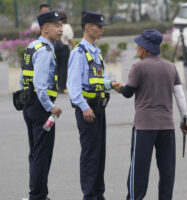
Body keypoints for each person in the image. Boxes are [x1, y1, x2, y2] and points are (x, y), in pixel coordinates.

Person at [114, 29, 187, 200]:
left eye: (138, 46)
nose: (137, 49)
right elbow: (180, 96)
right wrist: (184, 120)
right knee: (167, 171)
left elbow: (128, 93)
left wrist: (117, 87)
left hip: (144, 128)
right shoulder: (170, 67)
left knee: (139, 170)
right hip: (167, 128)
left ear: (145, 48)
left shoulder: (138, 67)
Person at [66, 11, 119, 200]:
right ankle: (89, 195)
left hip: (98, 107)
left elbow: (97, 78)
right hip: (87, 109)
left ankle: (98, 193)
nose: (102, 29)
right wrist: (83, 107)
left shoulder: (95, 51)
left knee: (99, 153)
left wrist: (111, 84)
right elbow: (72, 86)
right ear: (87, 27)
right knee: (90, 154)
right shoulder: (78, 53)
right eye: (99, 26)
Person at [20, 10, 65, 200]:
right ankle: (38, 195)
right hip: (41, 108)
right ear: (45, 29)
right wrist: (50, 106)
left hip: (29, 105)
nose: (61, 29)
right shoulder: (45, 51)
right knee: (42, 154)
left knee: (36, 152)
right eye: (56, 25)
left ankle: (37, 192)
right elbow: (40, 83)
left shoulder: (32, 46)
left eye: (61, 25)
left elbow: (23, 78)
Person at [55, 11, 74, 93]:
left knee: (57, 68)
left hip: (55, 48)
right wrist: (75, 46)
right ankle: (62, 87)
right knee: (63, 68)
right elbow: (70, 39)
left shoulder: (55, 26)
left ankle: (56, 85)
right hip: (64, 48)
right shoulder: (67, 27)